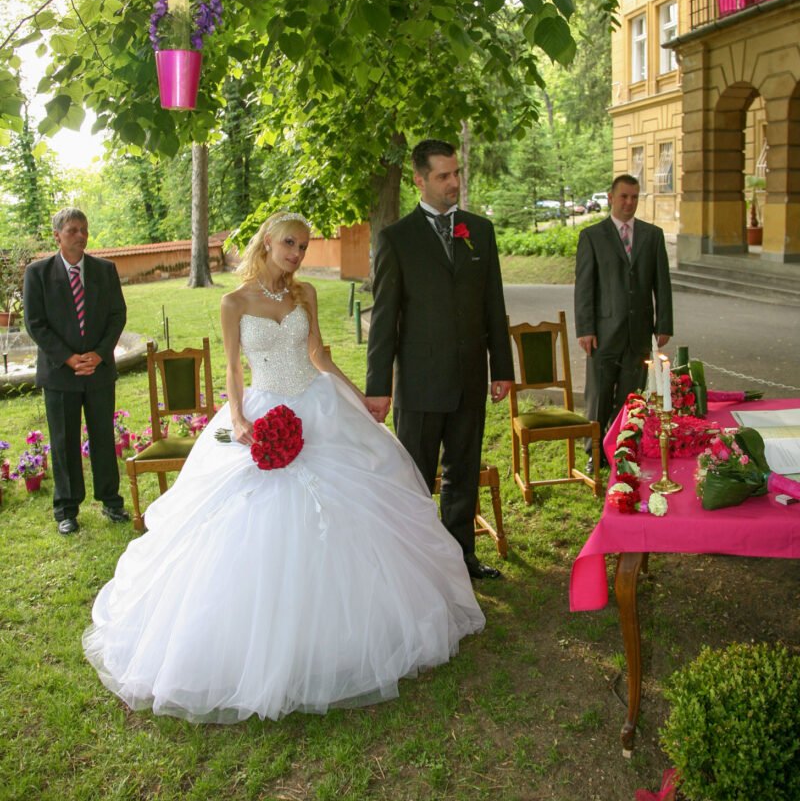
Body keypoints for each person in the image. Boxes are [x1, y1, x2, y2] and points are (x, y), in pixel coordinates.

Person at [83, 212, 484, 723]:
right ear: (268, 243)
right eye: (290, 244)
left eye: (304, 247)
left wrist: (359, 397)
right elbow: (233, 368)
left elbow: (317, 355)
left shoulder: (305, 295)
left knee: (351, 504)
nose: (297, 254)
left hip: (318, 408)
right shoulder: (234, 302)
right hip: (263, 407)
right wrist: (238, 417)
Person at [365, 140, 514, 581]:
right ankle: (417, 566)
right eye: (443, 176)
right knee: (415, 478)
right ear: (419, 180)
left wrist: (502, 369)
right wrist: (378, 388)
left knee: (463, 474)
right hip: (420, 382)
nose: (454, 182)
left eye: (456, 173)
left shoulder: (480, 230)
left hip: (470, 377)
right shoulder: (396, 239)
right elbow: (384, 320)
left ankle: (461, 559)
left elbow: (493, 305)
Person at [23, 207, 128, 535]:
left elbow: (117, 315)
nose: (80, 235)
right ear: (57, 236)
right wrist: (68, 358)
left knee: (103, 436)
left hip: (98, 371)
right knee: (64, 442)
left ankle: (111, 501)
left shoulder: (105, 270)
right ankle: (67, 509)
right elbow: (35, 324)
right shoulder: (37, 274)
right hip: (60, 373)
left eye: (84, 229)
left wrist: (99, 354)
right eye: (72, 230)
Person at [574, 174, 673, 467]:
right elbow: (584, 286)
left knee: (631, 398)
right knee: (599, 396)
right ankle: (594, 453)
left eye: (634, 197)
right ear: (611, 198)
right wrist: (585, 329)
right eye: (624, 196)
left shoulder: (652, 236)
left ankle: (623, 449)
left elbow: (662, 284)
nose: (629, 202)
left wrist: (664, 324)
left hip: (639, 332)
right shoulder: (592, 236)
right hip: (602, 332)